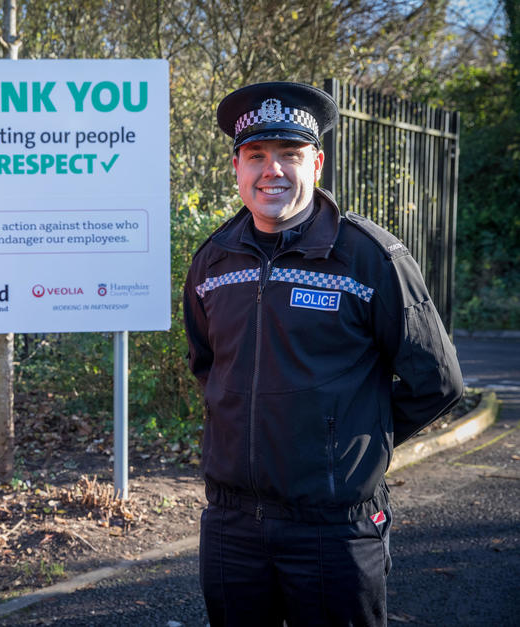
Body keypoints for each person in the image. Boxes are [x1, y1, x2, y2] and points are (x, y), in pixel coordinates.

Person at [182, 82, 464, 626]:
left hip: (333, 529)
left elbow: (438, 381)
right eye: (256, 156)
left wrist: (345, 442)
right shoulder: (213, 262)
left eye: (290, 154)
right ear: (237, 166)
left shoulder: (371, 257)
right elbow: (207, 367)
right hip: (231, 528)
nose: (272, 171)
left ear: (317, 163)